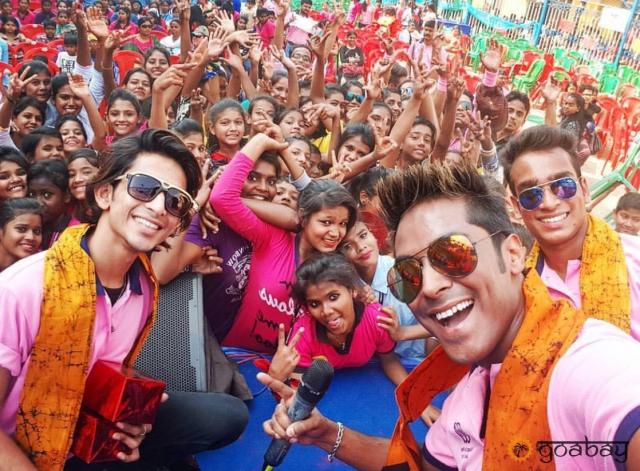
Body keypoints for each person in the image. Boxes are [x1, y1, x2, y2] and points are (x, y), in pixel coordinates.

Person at [260, 162, 640, 470]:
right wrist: (327, 434)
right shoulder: (470, 391)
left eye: (453, 254)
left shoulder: (589, 366)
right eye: (408, 274)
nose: (429, 286)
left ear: (512, 255)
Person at [0, 129, 249, 470]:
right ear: (105, 193)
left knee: (226, 415)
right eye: (144, 188)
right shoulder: (23, 288)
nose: (158, 207)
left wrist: (132, 417)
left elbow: (104, 372)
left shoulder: (143, 287)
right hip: (25, 447)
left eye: (174, 201)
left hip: (87, 426)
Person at [501, 125, 640, 339]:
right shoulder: (518, 288)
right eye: (531, 195)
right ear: (516, 206)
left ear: (584, 189)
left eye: (563, 186)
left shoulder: (634, 259)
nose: (549, 203)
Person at [0, 197, 42, 271]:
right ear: (1, 231)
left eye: (37, 231)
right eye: (21, 229)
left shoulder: (42, 266)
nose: (31, 237)